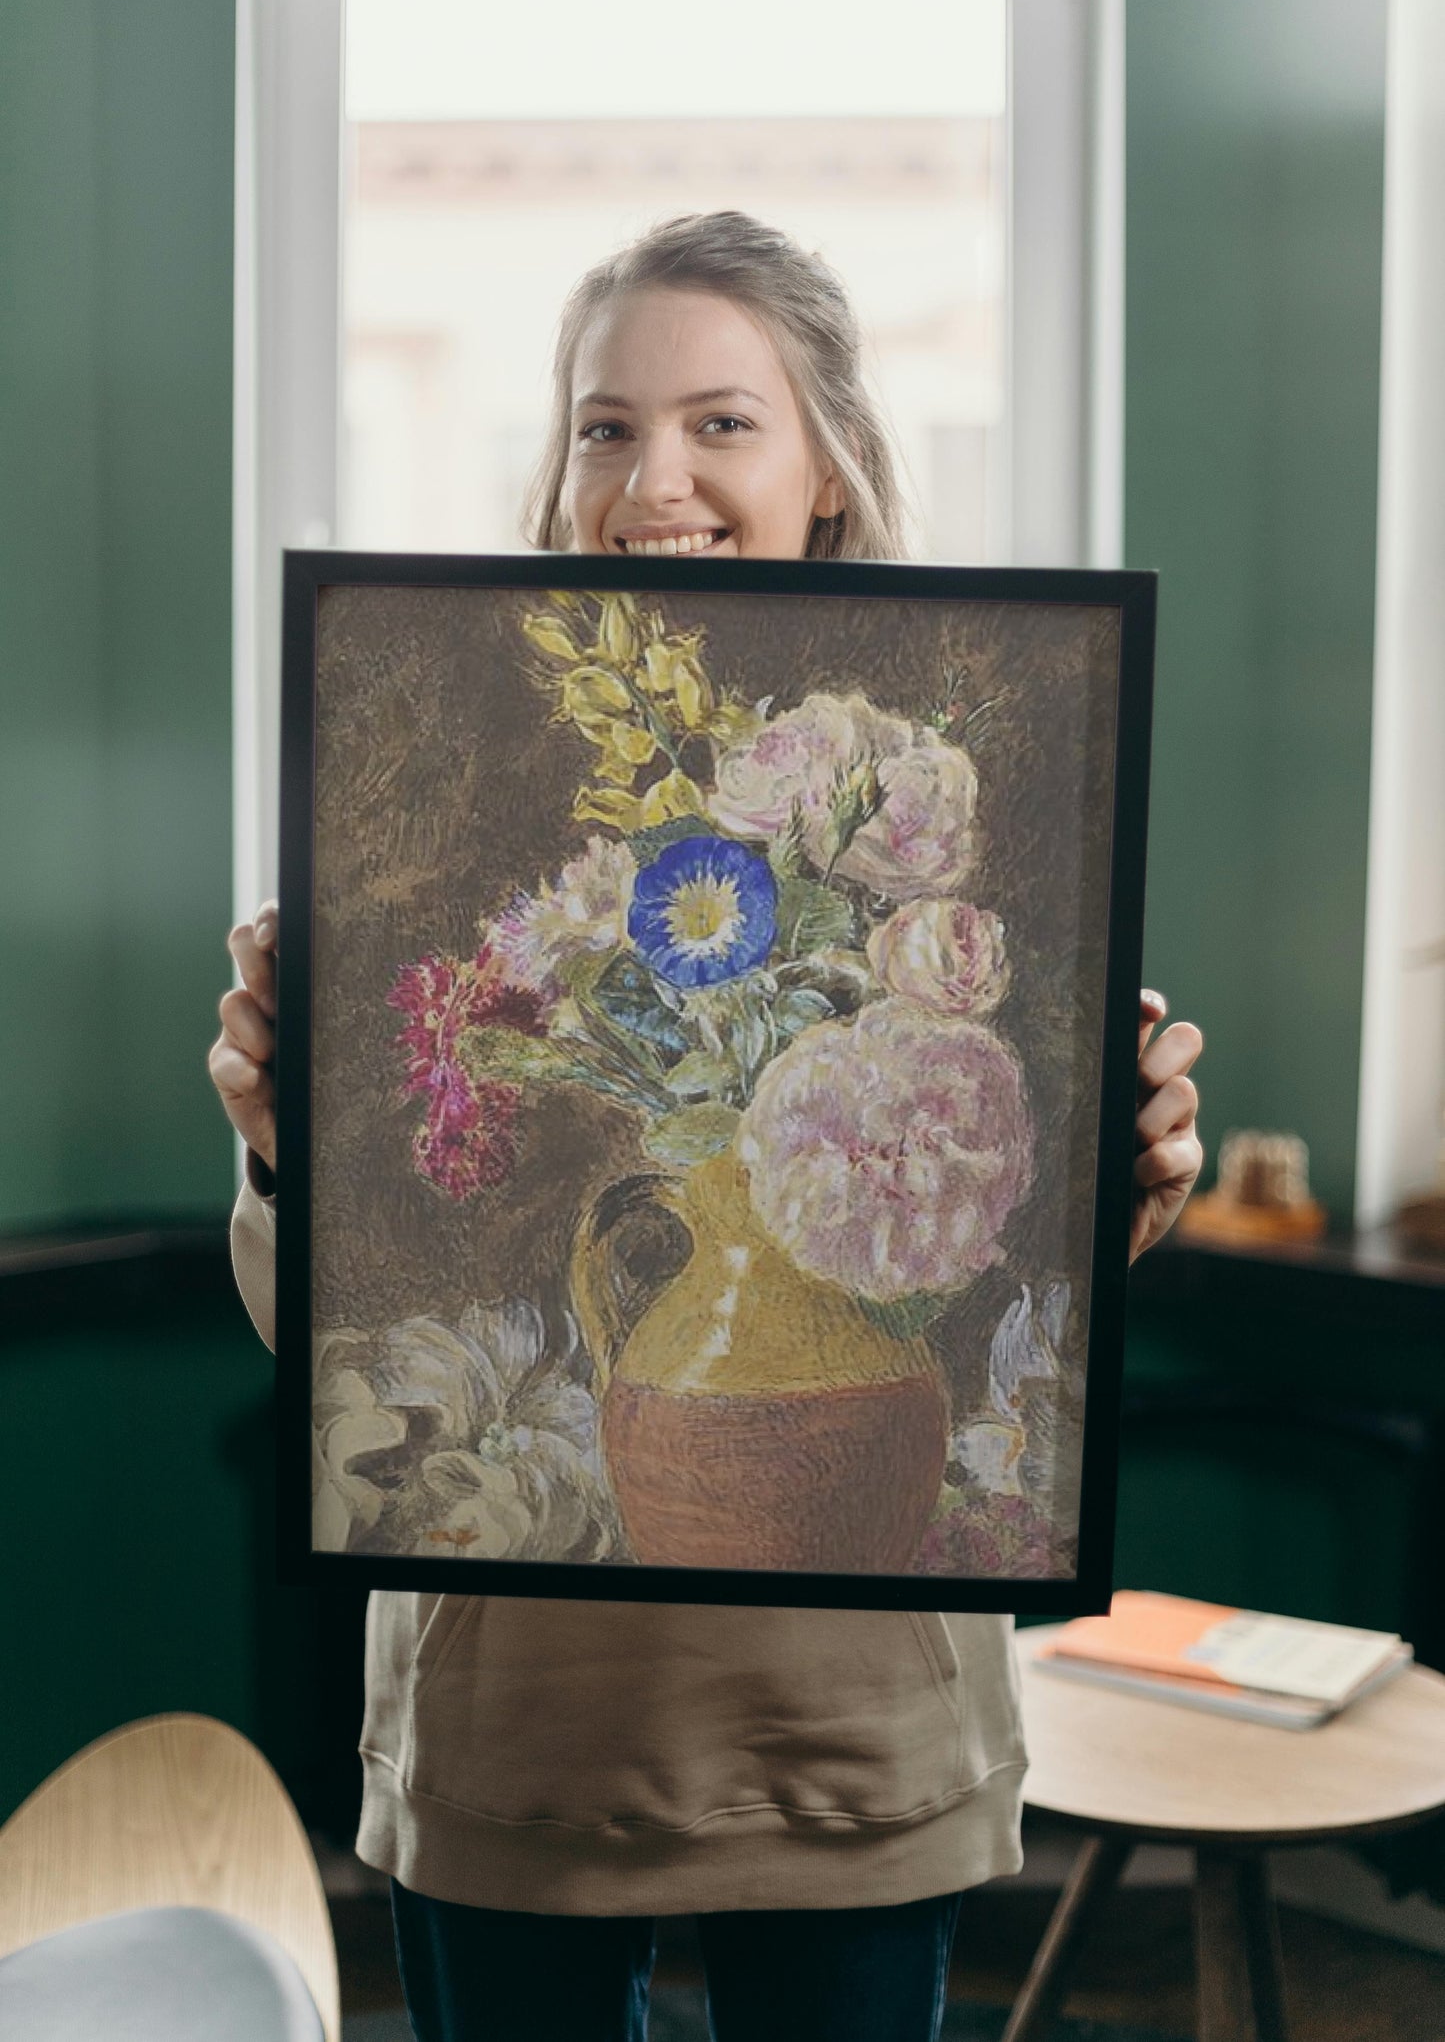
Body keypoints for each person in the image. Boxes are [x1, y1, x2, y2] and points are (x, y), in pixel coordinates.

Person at [210, 211, 1204, 2042]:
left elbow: (1011, 1324)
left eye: (718, 423)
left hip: (852, 1721)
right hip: (520, 1727)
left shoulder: (977, 792)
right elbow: (333, 1326)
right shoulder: (438, 801)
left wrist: (1111, 1187)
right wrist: (288, 1151)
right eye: (603, 425)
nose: (649, 476)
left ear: (827, 463)